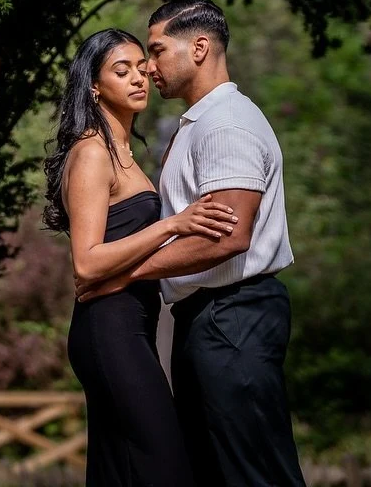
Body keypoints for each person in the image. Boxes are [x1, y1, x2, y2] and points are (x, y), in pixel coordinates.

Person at [76, 0, 307, 487]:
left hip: (233, 317)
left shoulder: (225, 124)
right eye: (136, 64)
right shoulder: (195, 127)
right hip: (205, 320)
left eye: (156, 52)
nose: (150, 68)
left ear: (199, 47)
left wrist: (125, 274)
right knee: (214, 470)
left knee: (252, 471)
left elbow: (228, 235)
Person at [46, 28, 239, 486]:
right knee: (165, 467)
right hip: (107, 329)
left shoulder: (127, 154)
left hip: (134, 326)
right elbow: (87, 263)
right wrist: (172, 224)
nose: (139, 78)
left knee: (123, 472)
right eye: (121, 70)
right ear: (94, 86)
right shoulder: (93, 152)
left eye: (141, 67)